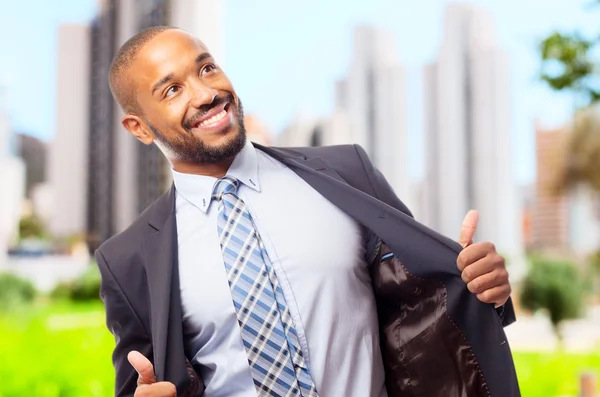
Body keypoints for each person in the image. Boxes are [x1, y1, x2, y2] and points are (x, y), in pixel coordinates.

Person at [98, 25, 520, 397]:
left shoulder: (347, 172)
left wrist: (482, 289)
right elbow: (142, 383)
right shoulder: (126, 261)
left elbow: (424, 303)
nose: (206, 94)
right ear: (138, 127)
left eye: (206, 68)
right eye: (172, 90)